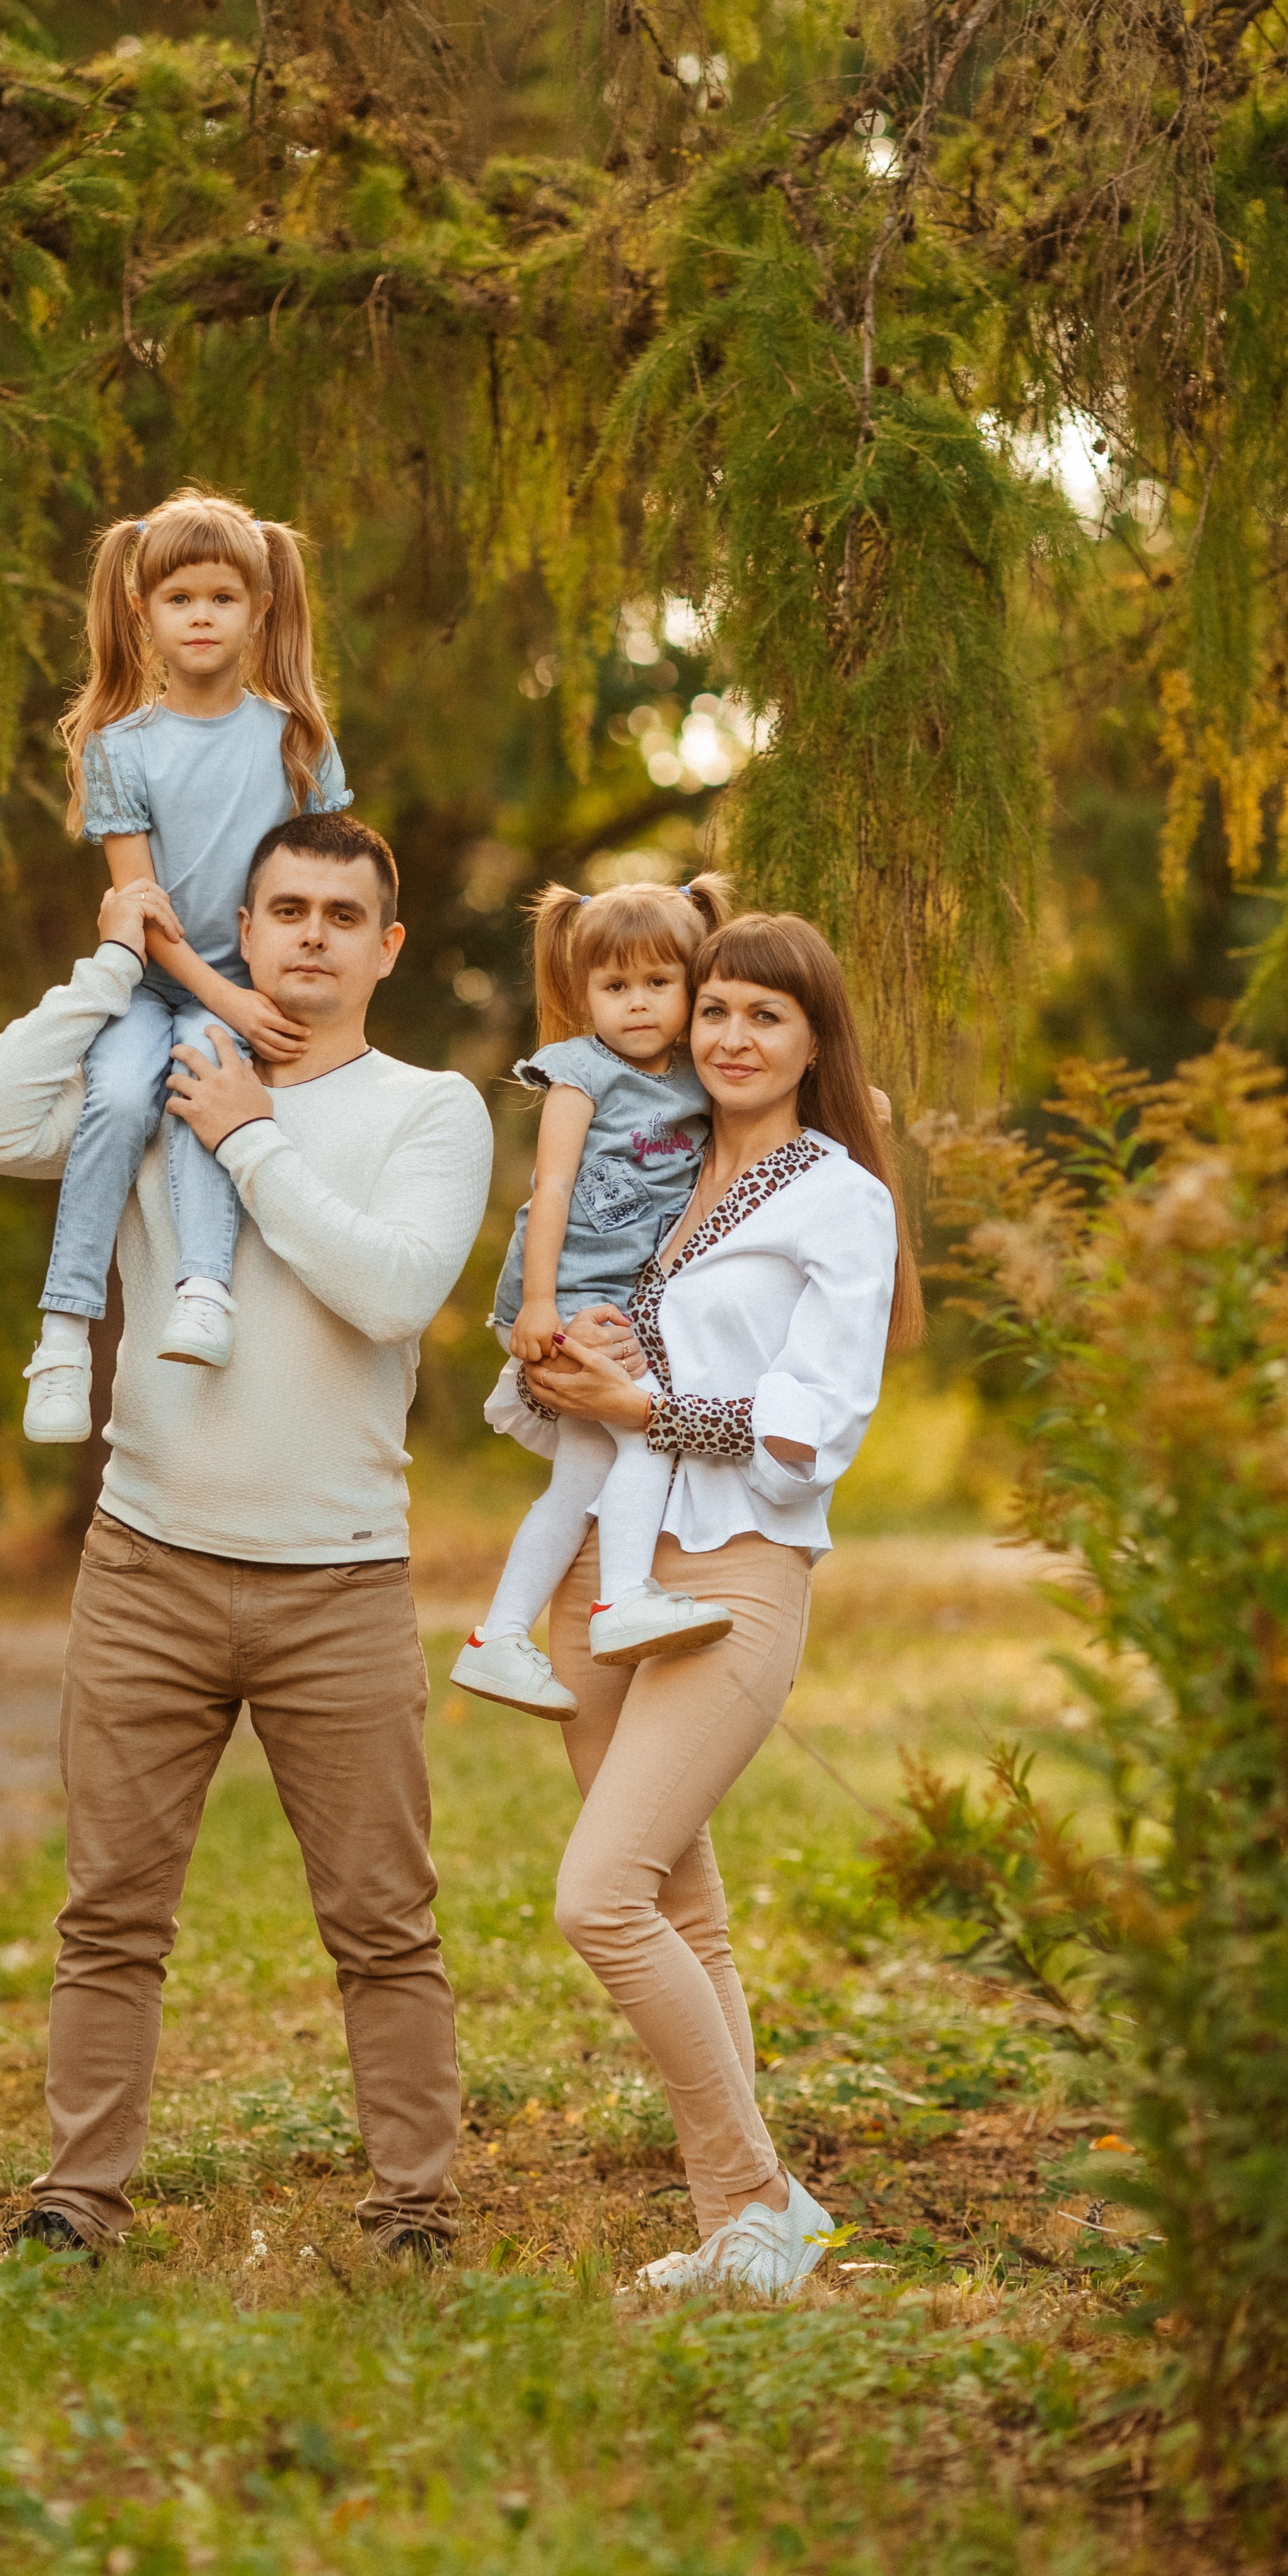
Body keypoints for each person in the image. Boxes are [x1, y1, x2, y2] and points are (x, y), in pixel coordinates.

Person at [0, 810, 495, 2262]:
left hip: (341, 1581)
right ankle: (75, 2201)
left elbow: (393, 1292)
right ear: (240, 930)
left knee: (383, 1921)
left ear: (387, 945)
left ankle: (414, 2209)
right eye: (282, 909)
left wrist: (247, 1144)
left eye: (338, 915)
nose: (308, 936)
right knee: (110, 1912)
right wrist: (108, 971)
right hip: (147, 1563)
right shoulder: (158, 1079)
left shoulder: (427, 1109)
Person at [513, 910, 924, 2297]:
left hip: (736, 1571)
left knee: (599, 1897)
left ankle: (760, 2195)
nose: (731, 1037)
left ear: (813, 1038)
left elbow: (817, 1423)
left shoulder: (836, 1194)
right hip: (602, 1575)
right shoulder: (661, 1163)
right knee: (683, 1913)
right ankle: (736, 2230)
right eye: (715, 1012)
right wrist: (570, 1368)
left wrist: (646, 1404)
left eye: (765, 1015)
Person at [21, 488, 353, 1448]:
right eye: (179, 599)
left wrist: (273, 1000)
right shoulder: (121, 748)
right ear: (144, 614)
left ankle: (204, 1289)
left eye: (221, 597)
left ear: (259, 609)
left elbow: (328, 879)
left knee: (209, 1085)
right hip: (159, 980)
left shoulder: (295, 737)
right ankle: (63, 1335)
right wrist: (229, 1000)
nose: (201, 615)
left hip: (245, 989)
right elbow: (145, 912)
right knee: (121, 1098)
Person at [450, 876, 737, 1725]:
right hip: (563, 1292)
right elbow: (552, 1186)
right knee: (648, 1431)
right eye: (615, 987)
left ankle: (498, 1638)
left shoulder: (699, 1076)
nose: (638, 1004)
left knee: (580, 1475)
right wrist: (538, 1304)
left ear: (693, 987)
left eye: (659, 984)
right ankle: (624, 1600)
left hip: (614, 1300)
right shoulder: (579, 1073)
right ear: (583, 994)